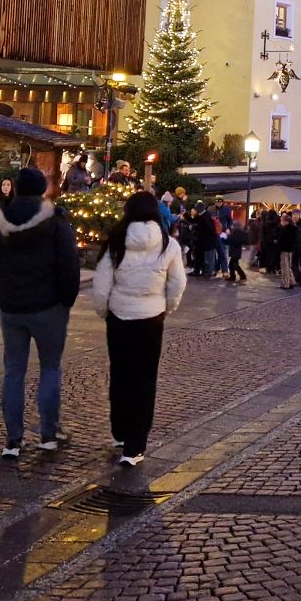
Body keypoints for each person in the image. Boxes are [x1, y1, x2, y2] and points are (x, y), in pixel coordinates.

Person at [0, 167, 81, 459]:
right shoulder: (55, 222)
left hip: (10, 307)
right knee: (49, 368)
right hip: (48, 306)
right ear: (42, 190)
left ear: (16, 188)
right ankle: (48, 433)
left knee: (14, 372)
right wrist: (66, 299)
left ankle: (13, 439)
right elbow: (69, 264)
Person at [92, 191, 187, 467]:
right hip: (151, 317)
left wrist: (104, 310)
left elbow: (101, 284)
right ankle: (135, 445)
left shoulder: (117, 242)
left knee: (121, 375)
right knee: (144, 380)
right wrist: (167, 307)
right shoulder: (168, 244)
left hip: (119, 316)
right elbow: (177, 283)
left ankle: (120, 432)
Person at [277, 211, 299, 289]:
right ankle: (292, 281)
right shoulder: (293, 228)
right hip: (290, 250)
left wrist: (278, 243)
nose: (281, 222)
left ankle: (286, 283)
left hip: (284, 250)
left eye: (282, 220)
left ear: (286, 221)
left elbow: (282, 240)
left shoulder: (286, 229)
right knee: (288, 266)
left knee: (284, 267)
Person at [226, 217, 249, 284]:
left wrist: (228, 236)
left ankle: (242, 276)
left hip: (236, 251)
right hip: (235, 251)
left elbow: (233, 240)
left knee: (234, 265)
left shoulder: (237, 233)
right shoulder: (237, 232)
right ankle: (232, 277)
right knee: (231, 265)